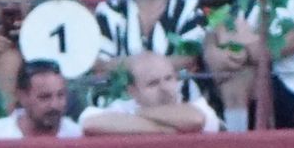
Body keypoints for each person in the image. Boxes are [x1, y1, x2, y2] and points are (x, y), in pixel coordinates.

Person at [77, 50, 222, 130]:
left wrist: (138, 114)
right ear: (132, 91)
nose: (165, 88)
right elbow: (89, 122)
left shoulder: (198, 106)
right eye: (153, 83)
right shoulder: (122, 107)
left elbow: (196, 119)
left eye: (169, 79)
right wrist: (167, 129)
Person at [0, 56, 85, 136]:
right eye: (45, 97)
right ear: (22, 97)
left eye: (60, 95)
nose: (54, 105)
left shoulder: (77, 136)